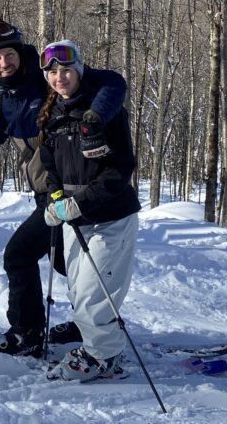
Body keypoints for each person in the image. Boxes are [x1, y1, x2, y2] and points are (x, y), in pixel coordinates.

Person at [0, 20, 127, 358]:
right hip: (45, 190)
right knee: (67, 261)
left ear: (20, 52)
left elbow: (112, 82)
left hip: (67, 191)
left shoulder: (44, 76)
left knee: (19, 255)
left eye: (9, 54)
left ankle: (27, 334)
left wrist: (94, 119)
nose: (4, 63)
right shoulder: (2, 93)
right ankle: (88, 323)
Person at [36, 40, 140, 382]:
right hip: (74, 219)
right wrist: (54, 199)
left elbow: (120, 170)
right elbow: (51, 168)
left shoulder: (103, 114)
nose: (60, 78)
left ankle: (104, 357)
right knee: (78, 291)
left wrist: (78, 203)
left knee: (97, 292)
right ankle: (98, 344)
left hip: (111, 217)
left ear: (80, 70)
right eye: (52, 72)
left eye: (66, 70)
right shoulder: (52, 117)